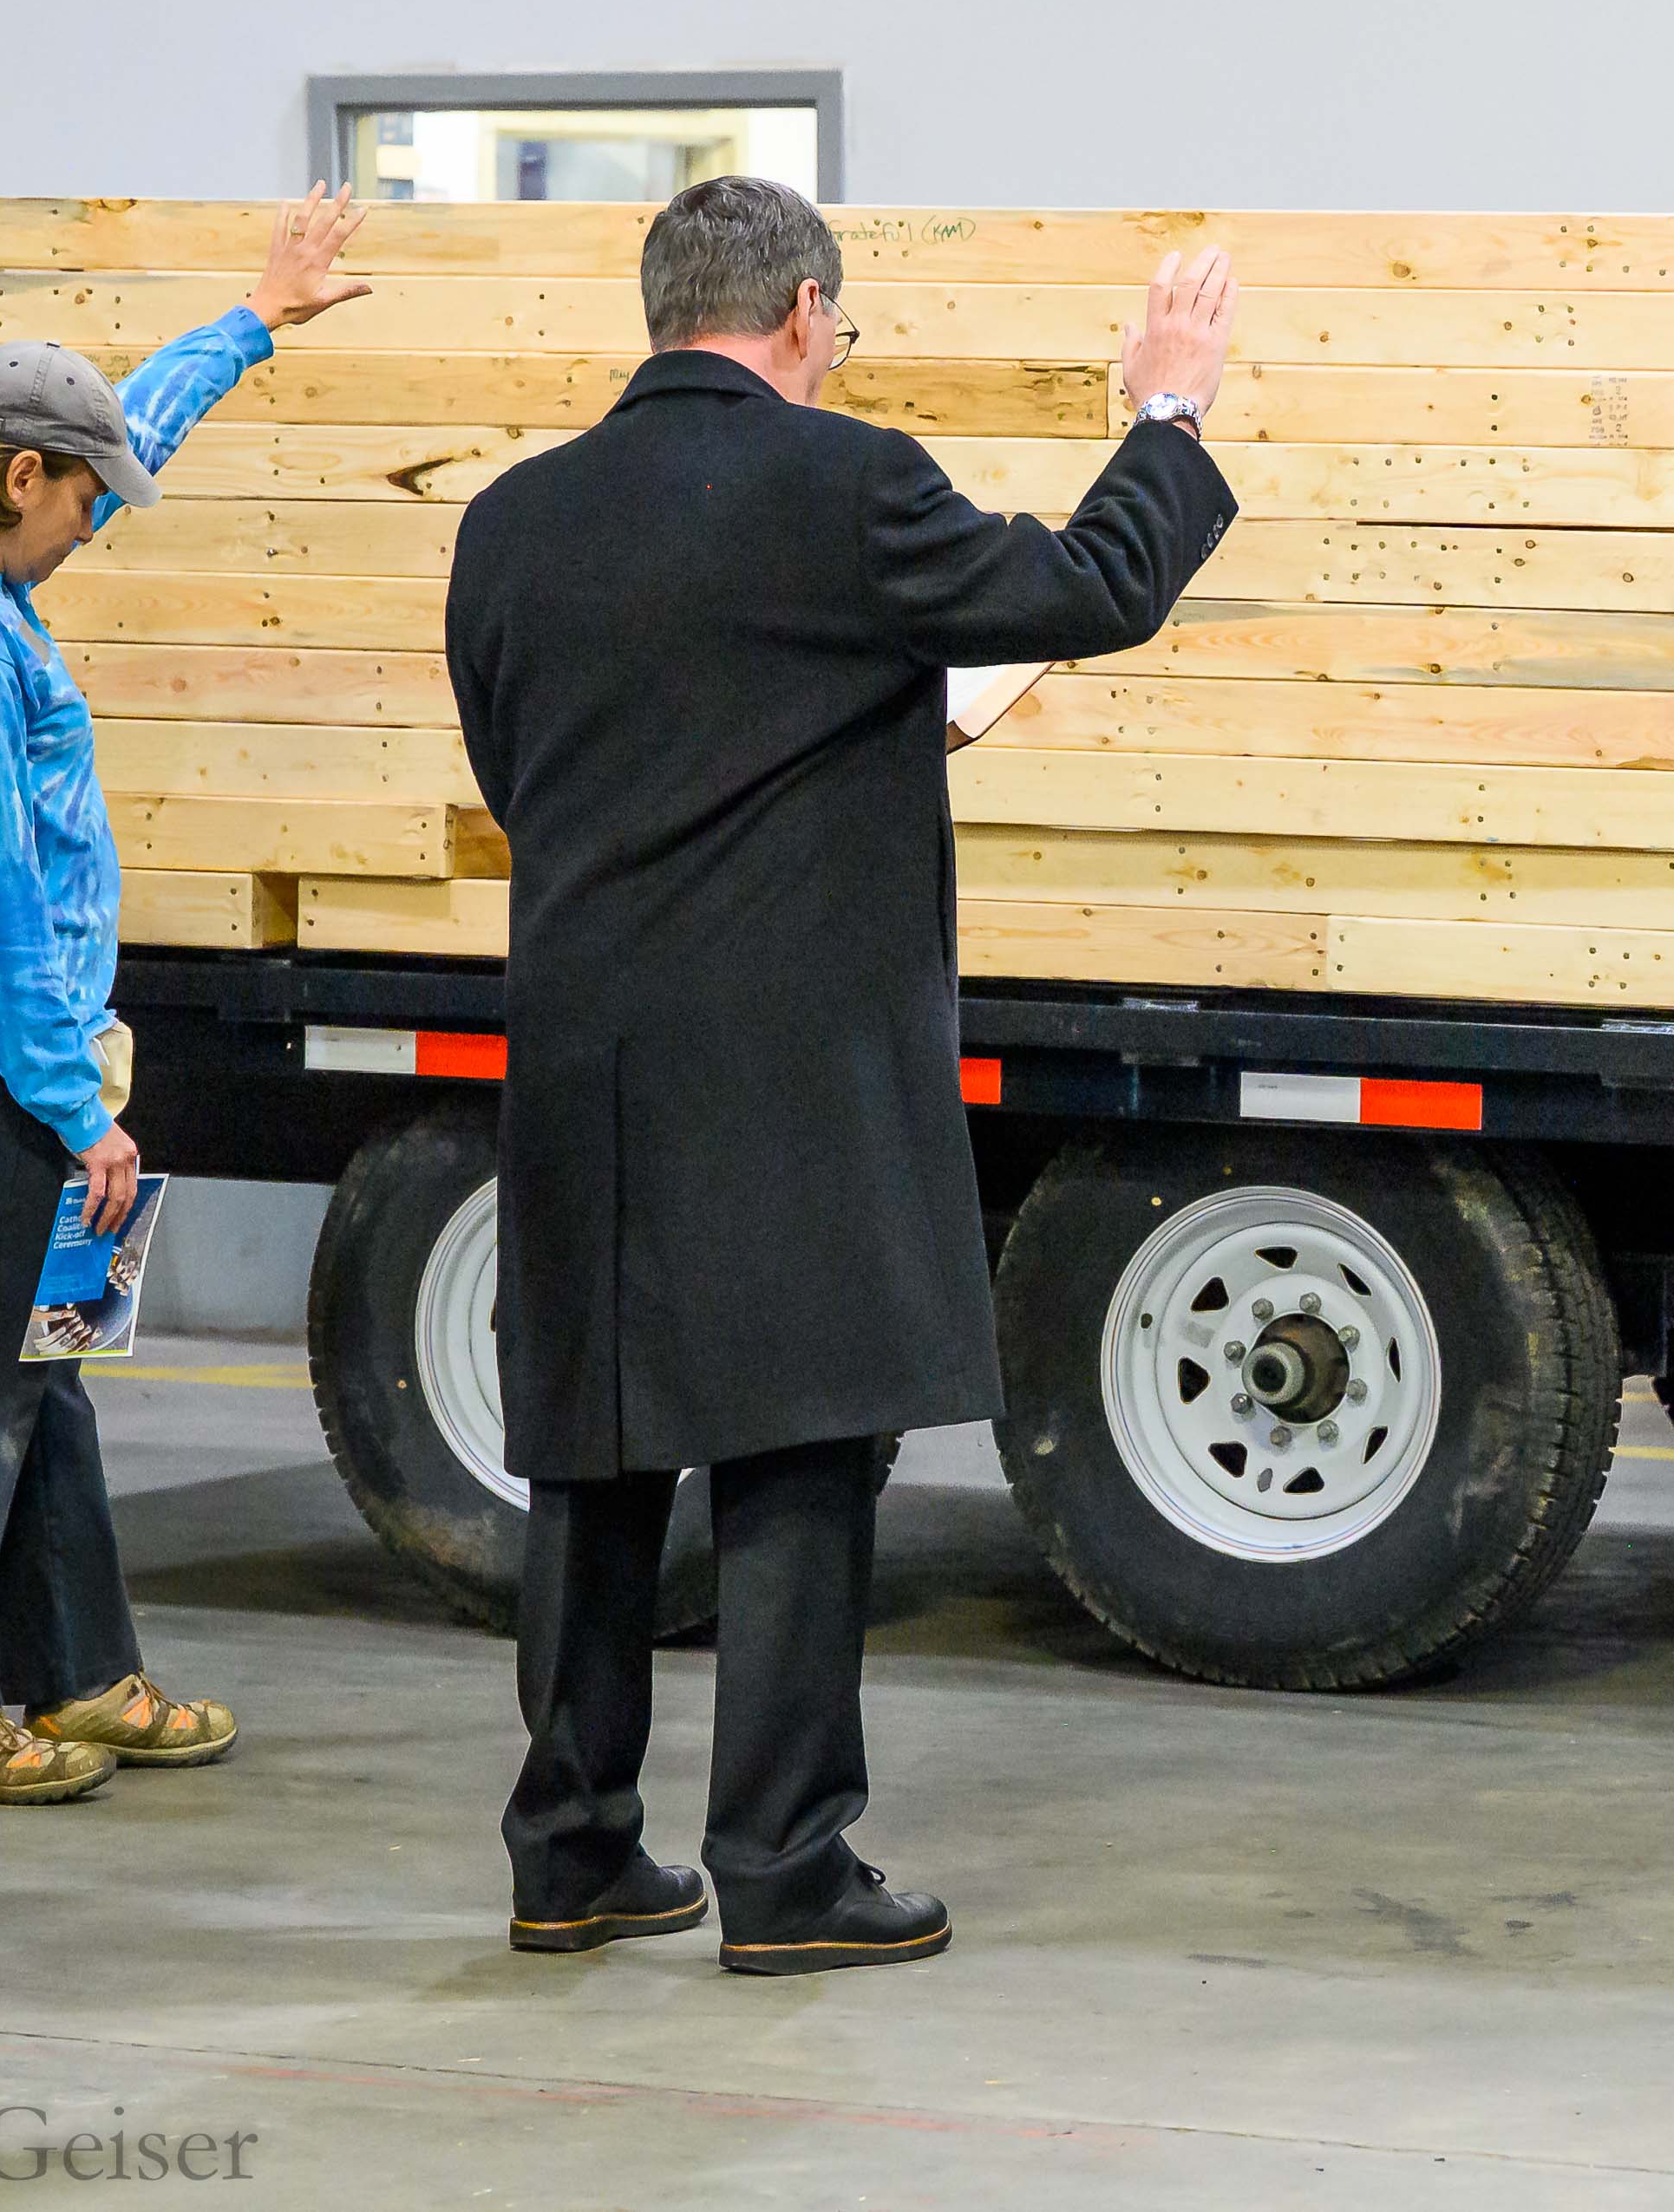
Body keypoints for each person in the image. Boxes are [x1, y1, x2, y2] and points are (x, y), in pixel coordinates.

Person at [445, 178, 1239, 1974]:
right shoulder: (850, 485)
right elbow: (1094, 588)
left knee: (592, 1447)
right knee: (801, 1447)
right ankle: (787, 1867)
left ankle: (569, 1849)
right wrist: (1164, 413)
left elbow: (525, 765)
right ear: (804, 313)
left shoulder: (509, 520)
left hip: (584, 1044)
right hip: (789, 1056)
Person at [0, 189, 369, 1804]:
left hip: (0, 1042)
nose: (97, 519)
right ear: (18, 481)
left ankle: (76, 1674)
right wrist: (78, 1104)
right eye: (82, 498)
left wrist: (253, 322)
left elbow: (118, 432)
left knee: (38, 1368)